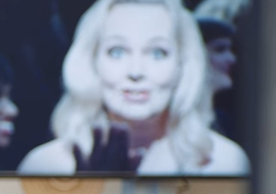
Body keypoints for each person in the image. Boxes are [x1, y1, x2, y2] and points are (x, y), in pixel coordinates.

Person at [17, 0, 249, 176]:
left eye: (157, 53)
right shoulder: (45, 165)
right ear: (91, 62)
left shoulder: (226, 162)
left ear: (183, 65)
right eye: (117, 52)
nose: (136, 72)